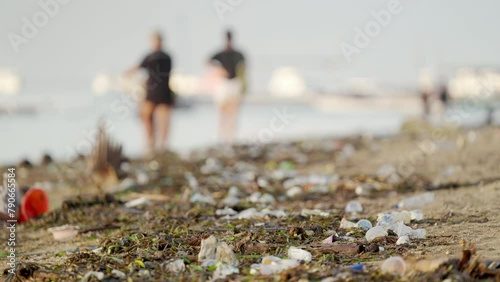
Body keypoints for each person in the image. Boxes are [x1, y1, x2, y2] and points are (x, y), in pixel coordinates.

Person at [127, 31, 174, 155]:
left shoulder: (155, 57)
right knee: (150, 117)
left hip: (157, 91)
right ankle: (156, 144)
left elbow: (137, 68)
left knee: (155, 118)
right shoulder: (166, 56)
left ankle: (154, 144)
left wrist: (127, 74)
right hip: (160, 91)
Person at [209, 30, 247, 143]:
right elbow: (208, 61)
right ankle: (222, 135)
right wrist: (219, 70)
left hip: (234, 83)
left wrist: (244, 85)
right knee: (222, 111)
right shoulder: (220, 54)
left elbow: (243, 69)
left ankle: (232, 136)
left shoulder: (238, 54)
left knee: (233, 112)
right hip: (224, 84)